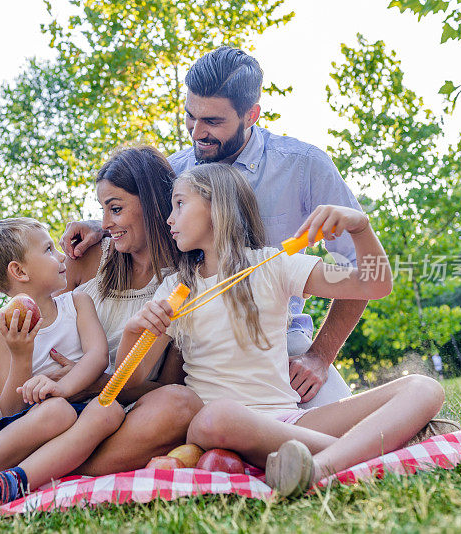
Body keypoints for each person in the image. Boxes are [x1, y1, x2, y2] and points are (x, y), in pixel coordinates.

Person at [61, 46, 364, 408]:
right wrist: (101, 225)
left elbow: (359, 264)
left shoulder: (303, 167)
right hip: (194, 349)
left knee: (356, 433)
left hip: (280, 343)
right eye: (191, 116)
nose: (197, 132)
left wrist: (319, 357)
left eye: (213, 122)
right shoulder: (174, 171)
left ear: (251, 115)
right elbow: (137, 217)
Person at [120, 164, 444, 497]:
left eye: (179, 204)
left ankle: (316, 468)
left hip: (288, 424)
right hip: (217, 428)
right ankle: (366, 453)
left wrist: (360, 227)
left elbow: (374, 284)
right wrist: (135, 331)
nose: (169, 219)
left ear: (216, 207)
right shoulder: (176, 289)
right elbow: (129, 380)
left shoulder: (273, 264)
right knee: (216, 416)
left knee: (423, 387)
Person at [0, 148, 204, 478]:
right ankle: (36, 466)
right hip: (39, 418)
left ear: (153, 204)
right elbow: (40, 334)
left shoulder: (184, 285)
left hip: (112, 419)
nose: (104, 224)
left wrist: (87, 382)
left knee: (179, 405)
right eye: (103, 211)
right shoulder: (87, 256)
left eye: (115, 209)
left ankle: (7, 469)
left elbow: (165, 388)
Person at [0, 216, 125, 506]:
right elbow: (11, 409)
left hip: (83, 407)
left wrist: (62, 387)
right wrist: (21, 356)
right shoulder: (2, 334)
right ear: (19, 271)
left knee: (111, 410)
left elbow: (97, 357)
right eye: (48, 250)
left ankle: (7, 481)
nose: (61, 256)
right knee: (57, 411)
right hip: (39, 421)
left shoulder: (77, 302)